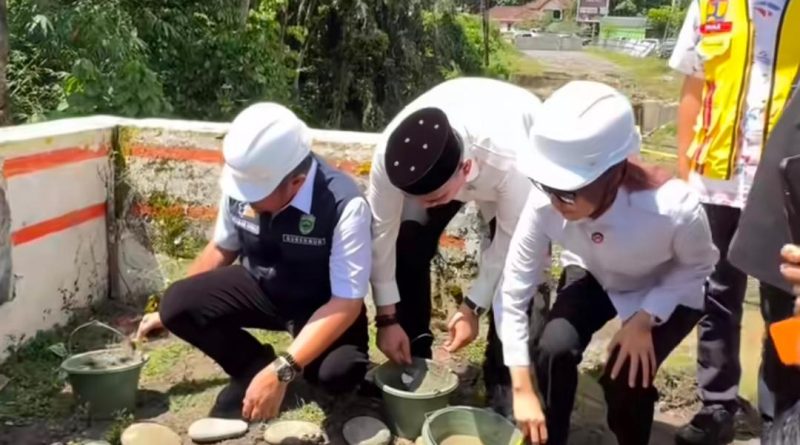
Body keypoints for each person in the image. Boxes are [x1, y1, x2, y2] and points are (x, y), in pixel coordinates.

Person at [497, 81, 719, 445]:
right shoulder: (544, 201)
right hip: (595, 271)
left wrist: (645, 318)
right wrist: (521, 387)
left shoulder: (672, 208)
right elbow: (515, 287)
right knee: (554, 346)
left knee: (626, 377)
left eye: (567, 189)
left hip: (663, 285)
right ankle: (551, 436)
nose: (554, 200)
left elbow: (698, 267)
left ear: (615, 172)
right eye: (544, 184)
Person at [134, 103, 372, 421]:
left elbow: (346, 303)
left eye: (255, 196)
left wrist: (284, 369)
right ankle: (252, 367)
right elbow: (222, 247)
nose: (245, 200)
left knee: (338, 374)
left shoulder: (345, 204)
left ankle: (279, 372)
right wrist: (166, 312)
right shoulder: (245, 185)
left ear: (296, 183)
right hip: (260, 289)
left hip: (319, 306)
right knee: (177, 303)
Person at [366, 77, 546, 414]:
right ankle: (414, 349)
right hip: (459, 161)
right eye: (417, 198)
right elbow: (381, 235)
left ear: (464, 170)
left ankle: (503, 375)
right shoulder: (391, 159)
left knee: (521, 274)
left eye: (434, 199)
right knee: (409, 240)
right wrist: (387, 319)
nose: (427, 205)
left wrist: (471, 307)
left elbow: (510, 243)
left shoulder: (512, 156)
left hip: (510, 166)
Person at [669, 0, 800, 441]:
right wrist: (685, 175)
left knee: (785, 304)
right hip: (715, 181)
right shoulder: (710, 6)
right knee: (716, 298)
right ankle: (717, 408)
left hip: (784, 189)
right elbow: (694, 87)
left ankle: (780, 415)